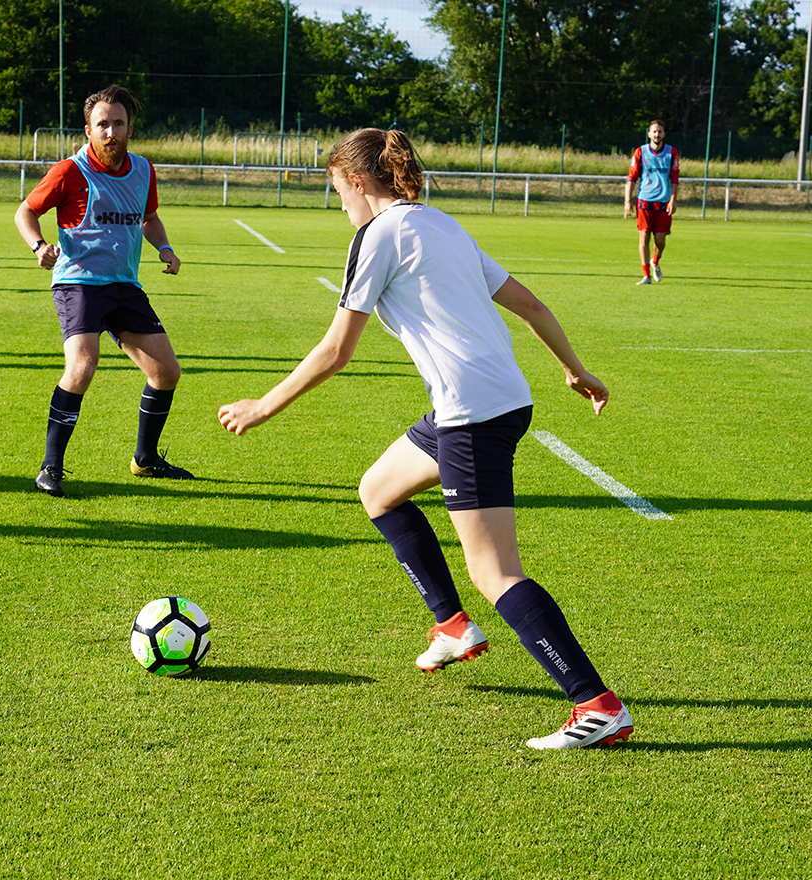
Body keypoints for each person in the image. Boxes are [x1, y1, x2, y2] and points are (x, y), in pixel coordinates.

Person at [219, 128, 633, 750]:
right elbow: (532, 304)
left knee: (495, 571)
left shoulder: (376, 236)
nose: (341, 205)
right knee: (379, 491)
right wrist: (575, 369)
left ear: (358, 182)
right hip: (489, 401)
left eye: (338, 191)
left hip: (473, 414)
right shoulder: (440, 223)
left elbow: (337, 350)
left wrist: (263, 406)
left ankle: (596, 705)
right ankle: (452, 627)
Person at [14, 84, 192, 498]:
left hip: (125, 285)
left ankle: (145, 460)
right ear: (88, 129)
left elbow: (148, 218)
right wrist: (39, 246)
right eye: (102, 125)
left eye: (118, 124)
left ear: (130, 128)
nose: (110, 132)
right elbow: (26, 210)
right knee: (82, 367)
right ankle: (50, 468)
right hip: (78, 282)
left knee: (166, 372)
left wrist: (164, 247)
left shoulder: (143, 170)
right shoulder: (69, 171)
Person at [624, 119, 679, 285]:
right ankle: (646, 275)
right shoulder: (640, 152)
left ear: (664, 134)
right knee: (644, 238)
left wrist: (673, 200)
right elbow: (632, 177)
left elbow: (675, 179)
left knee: (660, 241)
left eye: (660, 131)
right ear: (649, 134)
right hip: (644, 201)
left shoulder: (671, 152)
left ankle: (655, 260)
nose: (657, 134)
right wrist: (627, 200)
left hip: (663, 203)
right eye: (654, 131)